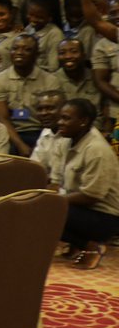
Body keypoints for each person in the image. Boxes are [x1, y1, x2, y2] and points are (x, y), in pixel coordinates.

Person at [48, 98, 119, 270]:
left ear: (83, 121)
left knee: (47, 209)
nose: (60, 122)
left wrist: (53, 200)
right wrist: (48, 196)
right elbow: (55, 180)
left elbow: (92, 196)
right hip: (81, 209)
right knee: (39, 206)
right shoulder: (65, 140)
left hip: (105, 216)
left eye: (66, 118)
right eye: (60, 118)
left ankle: (90, 246)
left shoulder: (97, 150)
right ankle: (77, 244)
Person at [0, 33, 59, 156]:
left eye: (27, 49)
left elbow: (53, 118)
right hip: (11, 132)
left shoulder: (50, 81)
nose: (19, 52)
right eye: (15, 48)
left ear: (37, 55)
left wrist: (41, 143)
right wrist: (20, 145)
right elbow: (2, 118)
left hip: (41, 130)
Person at [55, 37, 101, 112]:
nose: (68, 56)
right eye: (62, 53)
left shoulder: (97, 78)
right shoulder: (52, 80)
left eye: (74, 51)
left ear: (84, 55)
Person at [25, 0, 65, 72]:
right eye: (31, 15)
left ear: (49, 18)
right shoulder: (29, 29)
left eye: (39, 17)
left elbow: (54, 67)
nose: (33, 20)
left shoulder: (54, 34)